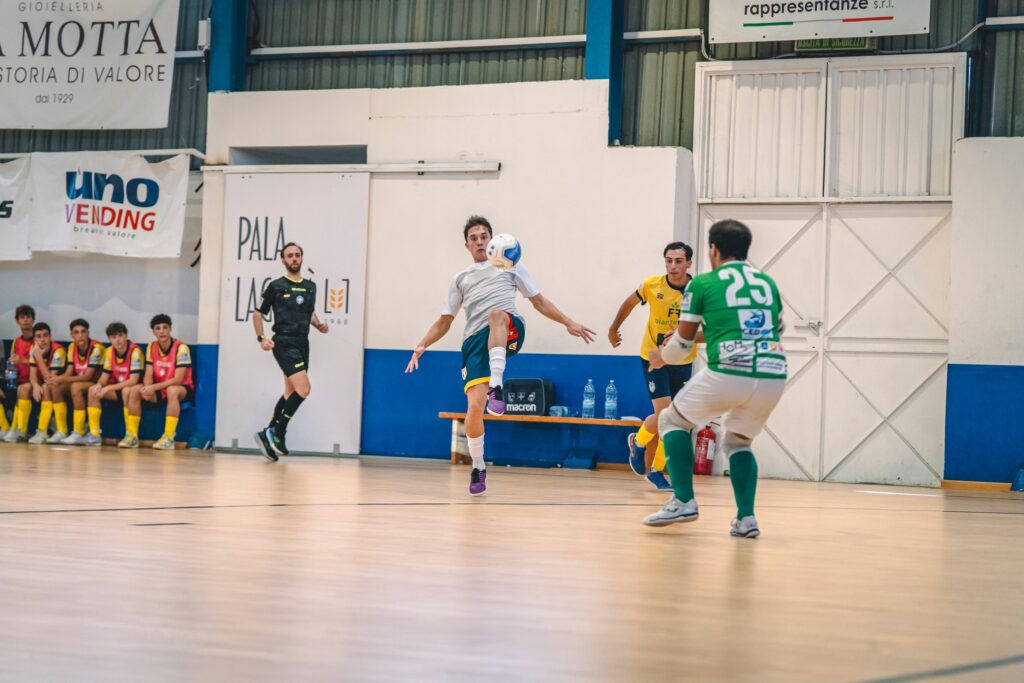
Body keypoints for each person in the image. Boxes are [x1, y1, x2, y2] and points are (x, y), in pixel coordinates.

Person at [406, 216, 595, 495]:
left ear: (493, 240)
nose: (480, 241)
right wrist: (422, 343)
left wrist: (567, 321)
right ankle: (479, 467)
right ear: (467, 244)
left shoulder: (510, 265)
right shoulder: (460, 278)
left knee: (496, 315)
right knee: (474, 407)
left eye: (484, 236)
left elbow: (538, 301)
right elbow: (445, 320)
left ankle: (497, 385)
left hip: (509, 326)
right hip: (474, 342)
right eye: (474, 238)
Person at [642, 219, 788, 538]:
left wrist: (660, 357)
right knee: (738, 441)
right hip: (773, 372)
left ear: (714, 250)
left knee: (671, 421)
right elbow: (778, 329)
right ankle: (746, 519)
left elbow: (680, 347)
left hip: (731, 368)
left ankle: (683, 500)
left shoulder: (702, 284)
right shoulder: (767, 283)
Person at [608, 242, 698, 491]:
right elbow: (628, 303)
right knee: (665, 415)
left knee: (678, 420)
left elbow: (708, 327)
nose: (673, 266)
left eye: (678, 261)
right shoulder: (652, 285)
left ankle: (653, 464)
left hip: (682, 360)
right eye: (668, 260)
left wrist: (683, 335)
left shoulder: (698, 291)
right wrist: (614, 328)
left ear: (689, 263)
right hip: (653, 357)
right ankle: (640, 446)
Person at [253, 242, 329, 461]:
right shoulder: (275, 286)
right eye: (290, 256)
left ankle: (267, 434)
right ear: (283, 260)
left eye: (297, 255)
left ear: (302, 258)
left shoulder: (310, 287)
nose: (294, 258)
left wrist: (319, 325)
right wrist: (261, 338)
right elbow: (257, 314)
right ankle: (278, 432)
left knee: (290, 392)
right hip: (284, 343)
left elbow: (310, 312)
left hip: (302, 343)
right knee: (304, 389)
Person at [123, 314, 194, 450]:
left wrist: (153, 387)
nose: (161, 331)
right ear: (154, 332)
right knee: (133, 390)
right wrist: (148, 388)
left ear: (170, 329)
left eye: (165, 327)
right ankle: (131, 436)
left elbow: (178, 379)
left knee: (172, 390)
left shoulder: (181, 348)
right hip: (160, 388)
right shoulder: (151, 346)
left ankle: (168, 437)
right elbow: (148, 373)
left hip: (181, 388)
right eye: (158, 328)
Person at [84, 322, 145, 447]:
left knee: (127, 390)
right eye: (113, 337)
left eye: (120, 336)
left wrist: (109, 387)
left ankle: (131, 435)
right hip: (118, 388)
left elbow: (133, 380)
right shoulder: (109, 352)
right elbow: (104, 377)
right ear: (109, 339)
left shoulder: (135, 351)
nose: (117, 340)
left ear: (126, 336)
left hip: (135, 388)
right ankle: (95, 435)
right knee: (92, 390)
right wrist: (100, 385)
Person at [58, 319, 106, 446]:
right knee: (54, 387)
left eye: (83, 332)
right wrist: (56, 379)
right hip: (81, 381)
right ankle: (61, 430)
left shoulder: (97, 348)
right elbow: (68, 372)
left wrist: (62, 378)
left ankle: (78, 432)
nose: (80, 335)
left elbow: (88, 376)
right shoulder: (72, 347)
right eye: (76, 332)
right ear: (71, 335)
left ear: (88, 333)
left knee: (75, 387)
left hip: (97, 383)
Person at [24, 323, 68, 444]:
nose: (42, 339)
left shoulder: (58, 351)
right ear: (34, 339)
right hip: (49, 383)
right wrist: (35, 385)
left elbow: (51, 379)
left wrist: (38, 357)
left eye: (45, 335)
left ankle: (58, 431)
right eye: (39, 336)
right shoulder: (34, 349)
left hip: (63, 383)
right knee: (27, 388)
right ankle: (33, 432)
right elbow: (32, 376)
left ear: (50, 336)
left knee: (48, 386)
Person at [2, 304, 36, 442]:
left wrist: (23, 360)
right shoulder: (16, 341)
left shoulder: (38, 338)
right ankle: (4, 428)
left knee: (23, 388)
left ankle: (19, 430)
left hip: (34, 380)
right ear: (17, 321)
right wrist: (10, 377)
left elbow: (43, 362)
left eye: (28, 317)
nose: (26, 320)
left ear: (33, 320)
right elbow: (12, 363)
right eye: (22, 317)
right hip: (18, 380)